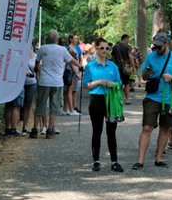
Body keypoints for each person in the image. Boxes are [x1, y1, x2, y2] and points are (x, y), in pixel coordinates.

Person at [132, 32, 172, 170]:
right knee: (147, 127)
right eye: (154, 46)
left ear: (166, 44)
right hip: (152, 97)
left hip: (168, 98)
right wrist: (146, 74)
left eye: (159, 46)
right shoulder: (151, 56)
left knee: (165, 128)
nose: (156, 48)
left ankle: (159, 158)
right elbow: (144, 76)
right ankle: (140, 160)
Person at [83, 37, 124, 173]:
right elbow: (86, 85)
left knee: (111, 131)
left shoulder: (113, 66)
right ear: (96, 49)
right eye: (102, 48)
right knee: (97, 130)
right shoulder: (91, 66)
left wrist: (113, 84)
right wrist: (99, 82)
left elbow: (119, 83)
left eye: (107, 48)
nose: (105, 50)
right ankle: (96, 160)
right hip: (96, 99)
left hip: (111, 99)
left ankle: (114, 161)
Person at [34, 29, 82, 139]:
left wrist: (37, 68)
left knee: (40, 105)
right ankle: (50, 129)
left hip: (44, 81)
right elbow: (71, 60)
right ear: (57, 39)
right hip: (57, 82)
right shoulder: (62, 50)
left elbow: (37, 61)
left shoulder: (43, 48)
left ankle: (34, 129)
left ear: (48, 38)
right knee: (54, 106)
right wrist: (79, 65)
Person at [112, 34, 137, 105]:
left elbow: (112, 57)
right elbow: (130, 56)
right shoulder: (128, 47)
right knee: (126, 83)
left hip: (116, 67)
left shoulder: (115, 46)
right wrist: (133, 66)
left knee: (117, 83)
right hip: (125, 67)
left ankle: (117, 99)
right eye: (128, 39)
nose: (128, 41)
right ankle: (127, 99)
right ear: (125, 38)